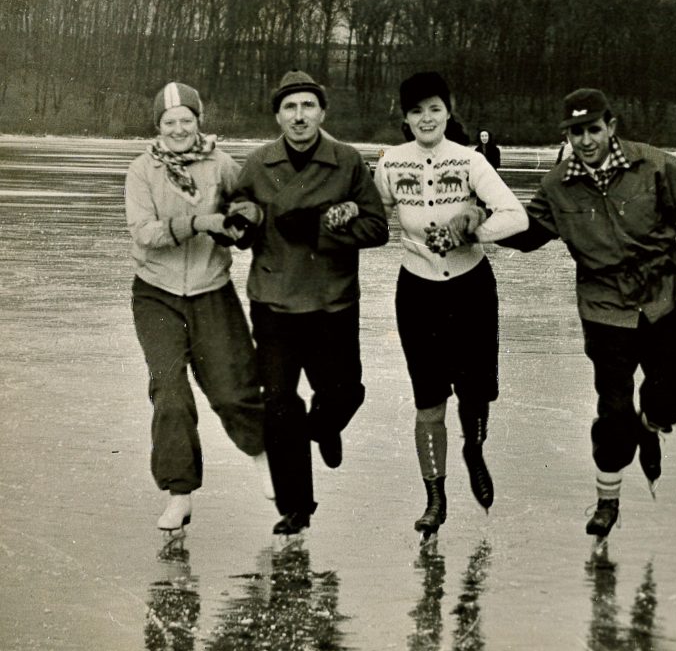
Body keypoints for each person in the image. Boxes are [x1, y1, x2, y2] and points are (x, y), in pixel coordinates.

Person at [499, 88, 676, 538]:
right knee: (613, 411)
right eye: (576, 133)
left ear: (611, 126)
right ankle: (607, 502)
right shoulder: (557, 185)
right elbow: (528, 232)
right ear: (567, 136)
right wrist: (478, 222)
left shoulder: (655, 166)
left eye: (593, 129)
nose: (586, 140)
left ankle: (650, 427)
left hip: (665, 296)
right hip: (605, 308)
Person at [228, 70, 389, 536]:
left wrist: (320, 231)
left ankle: (325, 426)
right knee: (279, 405)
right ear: (278, 116)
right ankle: (295, 508)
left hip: (332, 303)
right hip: (274, 302)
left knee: (345, 393)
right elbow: (239, 221)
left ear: (322, 112)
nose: (299, 116)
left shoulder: (348, 161)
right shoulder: (257, 163)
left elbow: (377, 228)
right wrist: (243, 224)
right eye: (290, 108)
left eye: (307, 106)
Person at [374, 72, 528, 537]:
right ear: (405, 117)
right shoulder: (390, 163)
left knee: (475, 391)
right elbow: (371, 215)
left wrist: (471, 231)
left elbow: (516, 216)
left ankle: (474, 451)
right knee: (429, 399)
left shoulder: (470, 159)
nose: (426, 118)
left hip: (470, 289)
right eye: (416, 110)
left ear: (448, 112)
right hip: (417, 292)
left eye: (435, 109)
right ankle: (434, 497)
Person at [126, 82, 273, 534]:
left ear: (198, 122)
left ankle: (264, 458)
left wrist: (244, 218)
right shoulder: (142, 171)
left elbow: (248, 203)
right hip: (156, 292)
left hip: (212, 290)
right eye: (169, 122)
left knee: (233, 389)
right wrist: (199, 222)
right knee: (170, 391)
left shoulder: (221, 164)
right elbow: (145, 232)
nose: (178, 129)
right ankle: (179, 494)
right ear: (158, 126)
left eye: (186, 120)